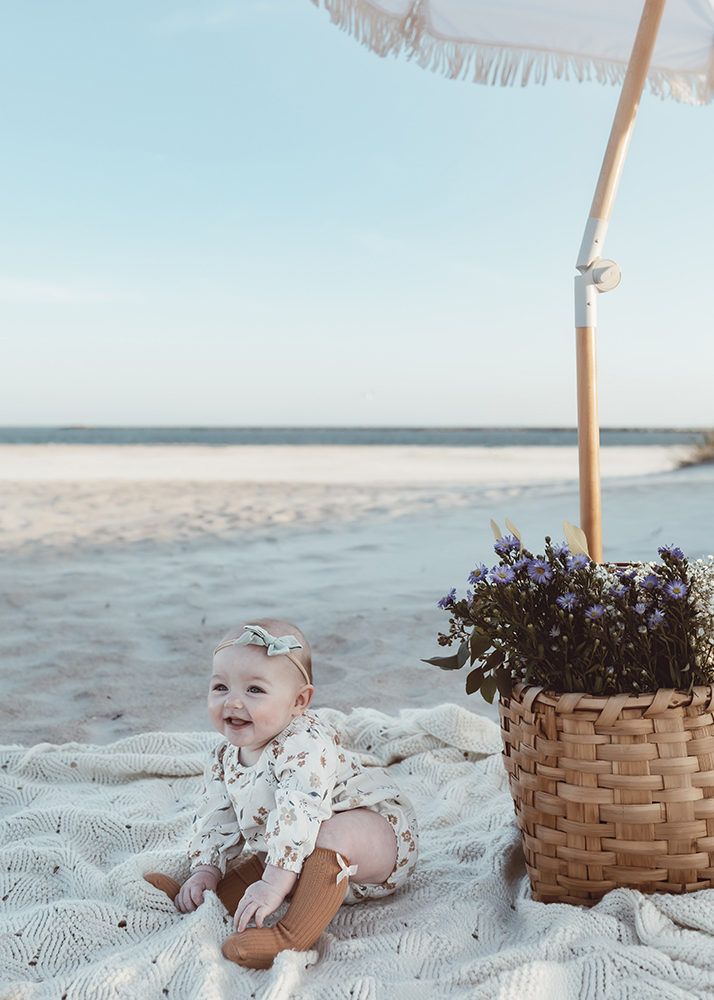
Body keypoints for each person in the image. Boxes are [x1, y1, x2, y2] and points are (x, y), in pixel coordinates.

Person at [144, 618, 418, 969]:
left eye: (254, 690)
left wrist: (273, 884)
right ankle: (204, 901)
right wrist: (205, 869)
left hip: (379, 843)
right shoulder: (224, 756)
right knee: (269, 846)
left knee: (321, 834)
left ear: (298, 702)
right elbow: (217, 815)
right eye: (220, 687)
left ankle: (290, 937)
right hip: (298, 849)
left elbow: (300, 811)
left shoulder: (304, 744)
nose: (234, 702)